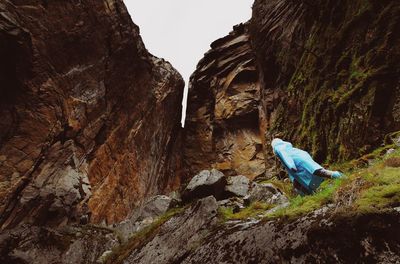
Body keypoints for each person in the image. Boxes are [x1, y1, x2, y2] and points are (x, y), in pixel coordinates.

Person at [271, 138, 342, 195]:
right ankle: (313, 195)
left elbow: (285, 155)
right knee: (298, 182)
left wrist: (291, 166)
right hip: (302, 158)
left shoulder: (278, 147)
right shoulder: (288, 146)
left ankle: (339, 176)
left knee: (316, 172)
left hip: (297, 162)